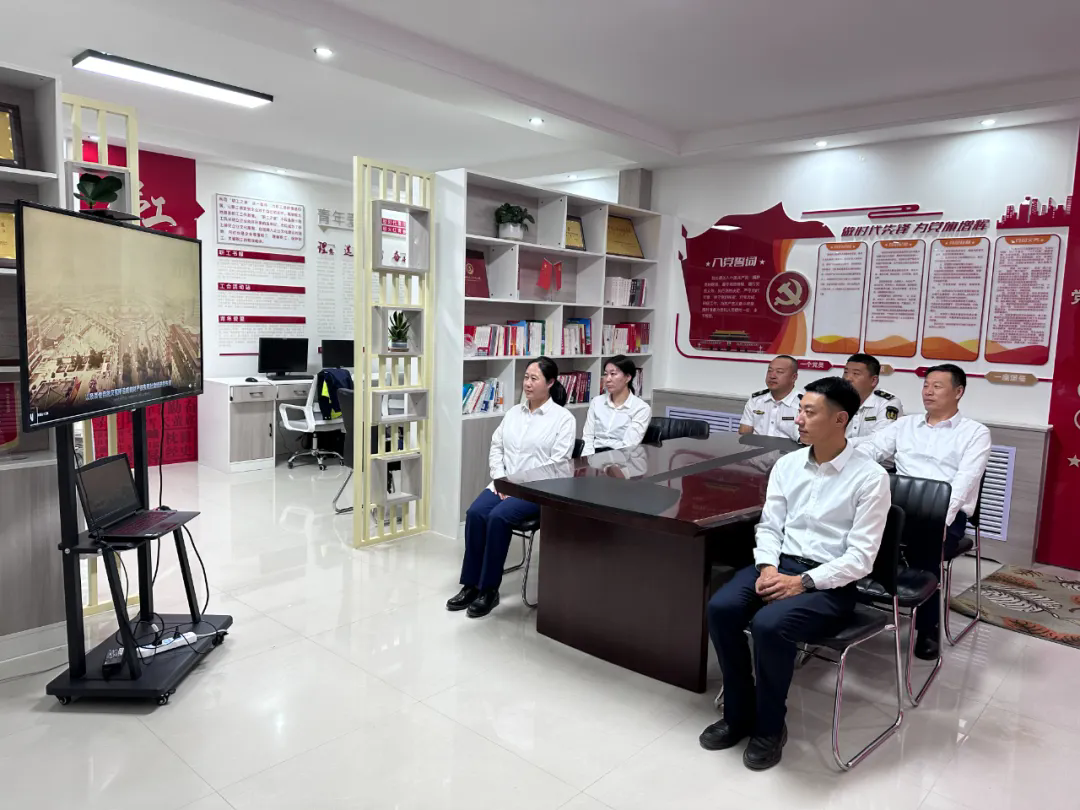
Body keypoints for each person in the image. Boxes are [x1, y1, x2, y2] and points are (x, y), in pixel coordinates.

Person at [701, 376, 890, 771]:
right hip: (780, 564)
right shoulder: (788, 465)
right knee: (721, 608)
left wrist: (802, 582)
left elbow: (861, 558)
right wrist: (768, 567)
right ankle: (738, 712)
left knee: (770, 625)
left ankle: (770, 727)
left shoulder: (870, 478)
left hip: (830, 583)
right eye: (800, 410)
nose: (798, 419)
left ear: (840, 419)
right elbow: (770, 526)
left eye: (809, 412)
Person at [852, 363, 990, 660]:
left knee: (924, 549)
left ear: (958, 392)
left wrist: (940, 520)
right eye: (926, 385)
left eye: (937, 386)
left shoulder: (975, 433)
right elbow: (871, 449)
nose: (928, 391)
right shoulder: (905, 425)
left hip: (944, 515)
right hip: (898, 509)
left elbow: (963, 484)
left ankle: (928, 628)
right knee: (849, 531)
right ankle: (851, 606)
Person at [447, 356, 576, 618]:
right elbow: (497, 447)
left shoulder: (563, 419)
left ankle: (489, 590)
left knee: (498, 517)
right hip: (504, 483)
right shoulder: (513, 413)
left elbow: (557, 464)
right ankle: (471, 585)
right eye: (526, 377)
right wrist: (501, 479)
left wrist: (519, 486)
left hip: (538, 489)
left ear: (550, 383)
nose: (527, 383)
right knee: (475, 513)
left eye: (534, 378)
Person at [581, 355, 651, 455]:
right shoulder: (597, 402)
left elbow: (629, 445)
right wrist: (587, 460)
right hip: (595, 455)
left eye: (613, 374)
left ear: (628, 377)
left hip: (622, 458)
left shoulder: (641, 408)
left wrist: (610, 462)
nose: (607, 379)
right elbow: (587, 437)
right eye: (606, 374)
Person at [739, 355, 802, 442]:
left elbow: (807, 441)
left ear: (794, 377)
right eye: (770, 371)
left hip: (789, 450)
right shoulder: (756, 400)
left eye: (779, 372)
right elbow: (744, 435)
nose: (772, 376)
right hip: (756, 449)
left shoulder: (804, 404)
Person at [842, 353, 903, 438]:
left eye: (856, 374)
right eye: (846, 372)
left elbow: (880, 440)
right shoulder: (835, 399)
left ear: (874, 381)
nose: (847, 378)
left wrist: (843, 444)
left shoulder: (888, 403)